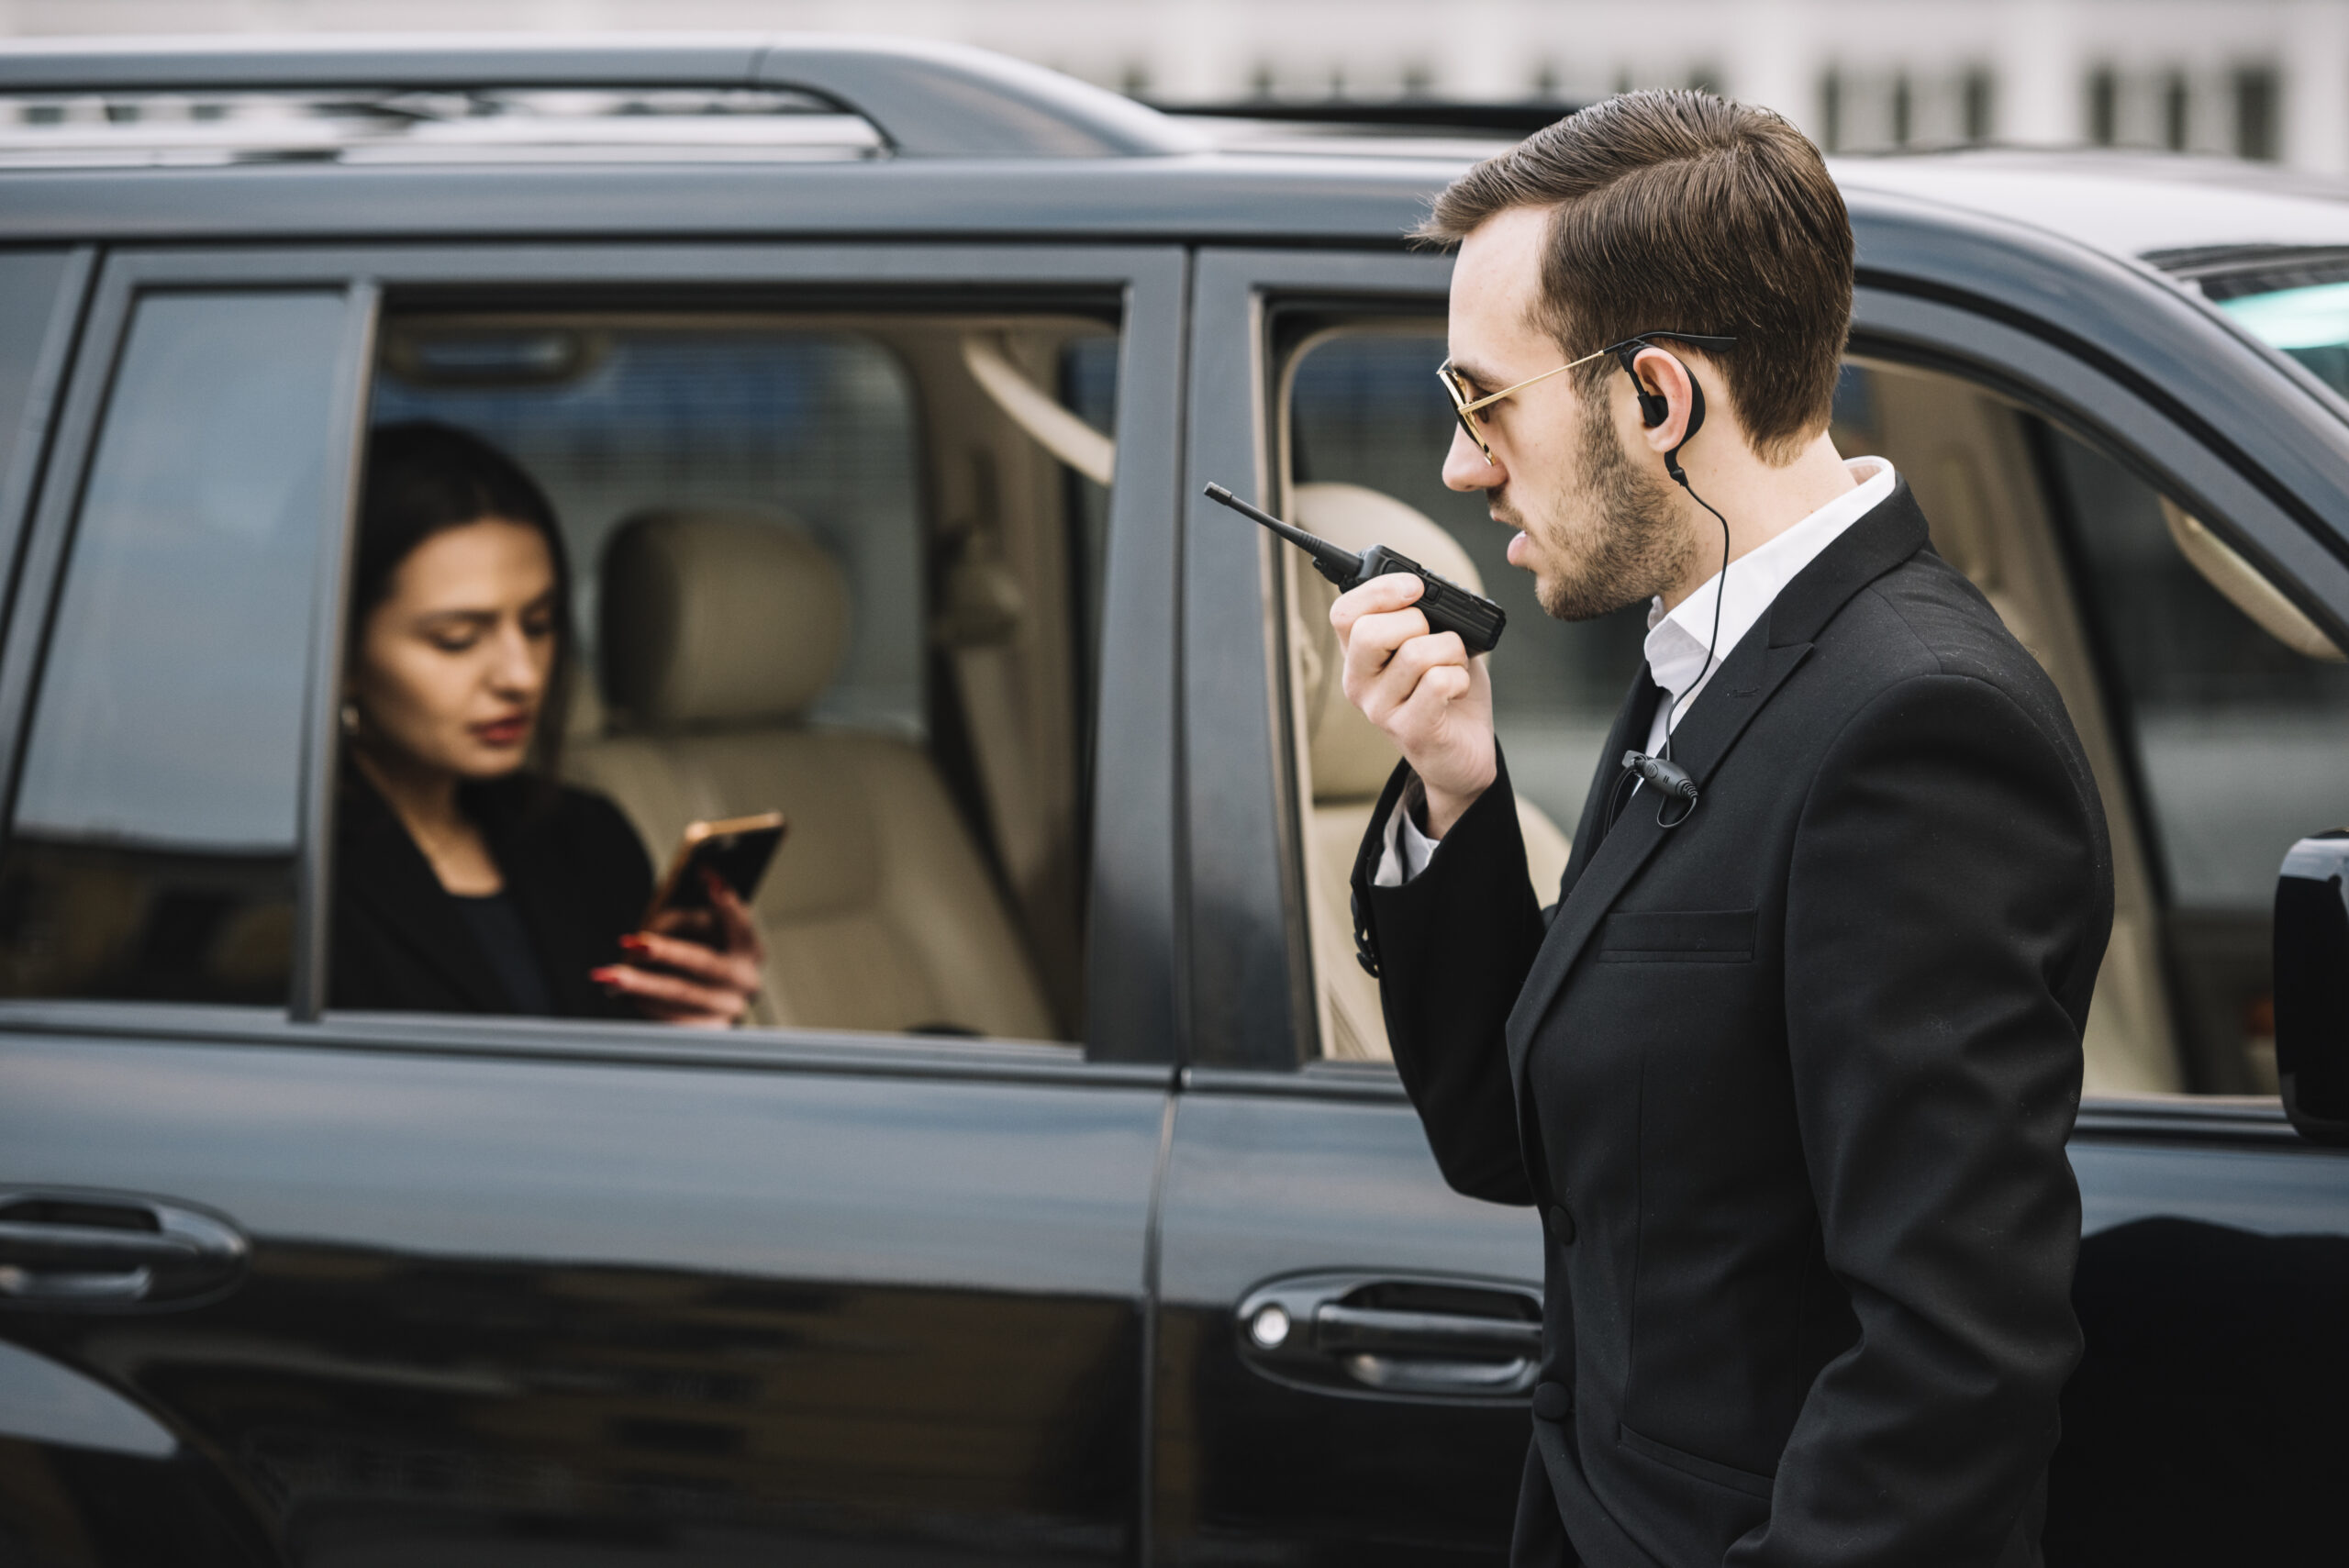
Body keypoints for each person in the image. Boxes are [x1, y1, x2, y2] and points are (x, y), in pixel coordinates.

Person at [1336, 93, 2111, 1566]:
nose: (1460, 467)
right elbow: (1533, 1148)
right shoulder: (1705, 658)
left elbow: (1952, 1372)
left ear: (1657, 399)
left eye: (1485, 404)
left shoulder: (1917, 735)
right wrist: (1454, 788)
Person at [331, 420, 763, 1026]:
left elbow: (620, 1097)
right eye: (456, 639)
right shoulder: (283, 885)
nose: (522, 675)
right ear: (339, 656)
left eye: (538, 625)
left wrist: (691, 1034)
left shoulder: (587, 839)